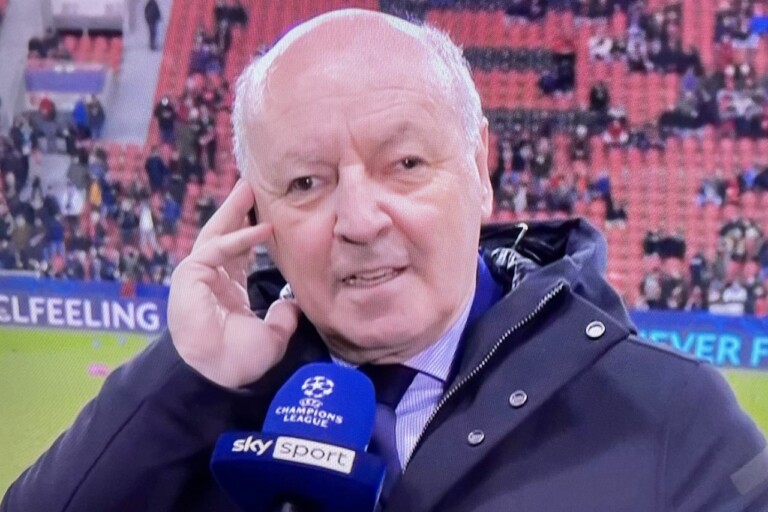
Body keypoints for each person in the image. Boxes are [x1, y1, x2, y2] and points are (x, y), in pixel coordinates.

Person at [3, 9, 767, 512]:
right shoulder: (195, 407)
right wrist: (187, 378)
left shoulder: (672, 416)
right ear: (256, 212)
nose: (360, 221)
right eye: (306, 184)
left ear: (480, 168)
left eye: (404, 164)